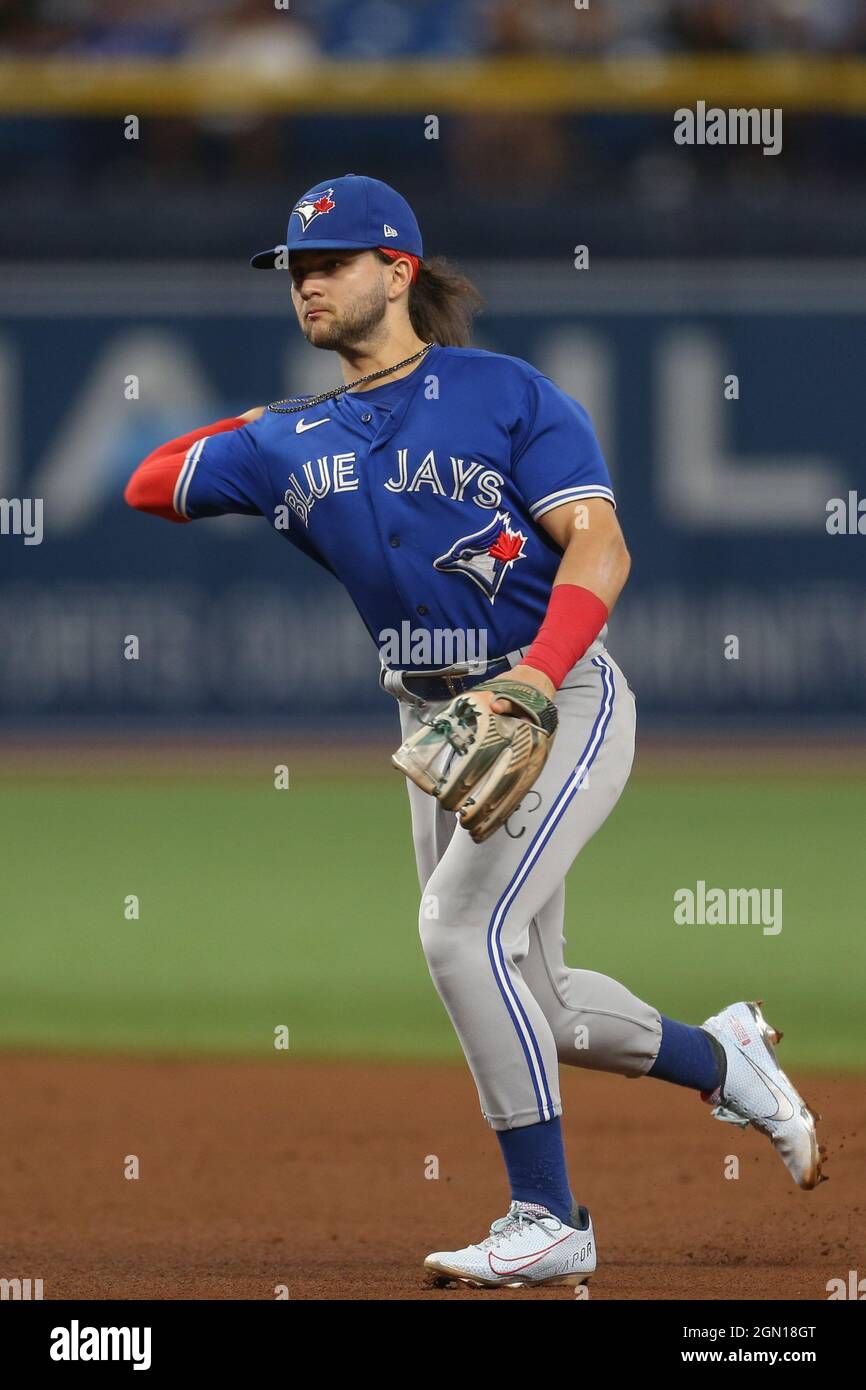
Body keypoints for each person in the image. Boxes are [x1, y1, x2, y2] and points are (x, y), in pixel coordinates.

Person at [124, 174, 823, 1290]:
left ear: (397, 271)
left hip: (559, 699)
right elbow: (147, 485)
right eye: (294, 268)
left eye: (331, 261)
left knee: (455, 934)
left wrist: (539, 680)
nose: (306, 282)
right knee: (536, 1001)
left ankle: (548, 1216)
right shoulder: (290, 437)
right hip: (441, 722)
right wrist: (257, 433)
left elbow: (599, 547)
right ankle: (721, 1055)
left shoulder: (502, 392)